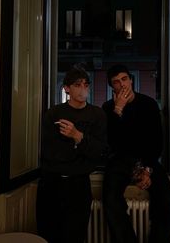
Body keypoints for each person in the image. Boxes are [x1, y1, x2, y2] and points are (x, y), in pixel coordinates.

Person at [102, 64, 170, 243]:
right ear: (112, 87)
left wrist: (148, 169)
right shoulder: (107, 108)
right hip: (120, 161)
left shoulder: (148, 103)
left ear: (130, 79)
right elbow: (111, 143)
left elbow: (157, 141)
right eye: (116, 82)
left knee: (169, 203)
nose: (122, 85)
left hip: (147, 159)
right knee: (111, 201)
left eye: (124, 79)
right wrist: (118, 109)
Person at [36, 65, 108, 243]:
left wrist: (77, 136)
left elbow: (99, 152)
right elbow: (49, 152)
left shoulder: (97, 114)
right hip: (51, 182)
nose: (83, 88)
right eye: (77, 84)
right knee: (49, 232)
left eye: (86, 84)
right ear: (66, 88)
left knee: (75, 234)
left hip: (79, 183)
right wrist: (82, 148)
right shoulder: (54, 113)